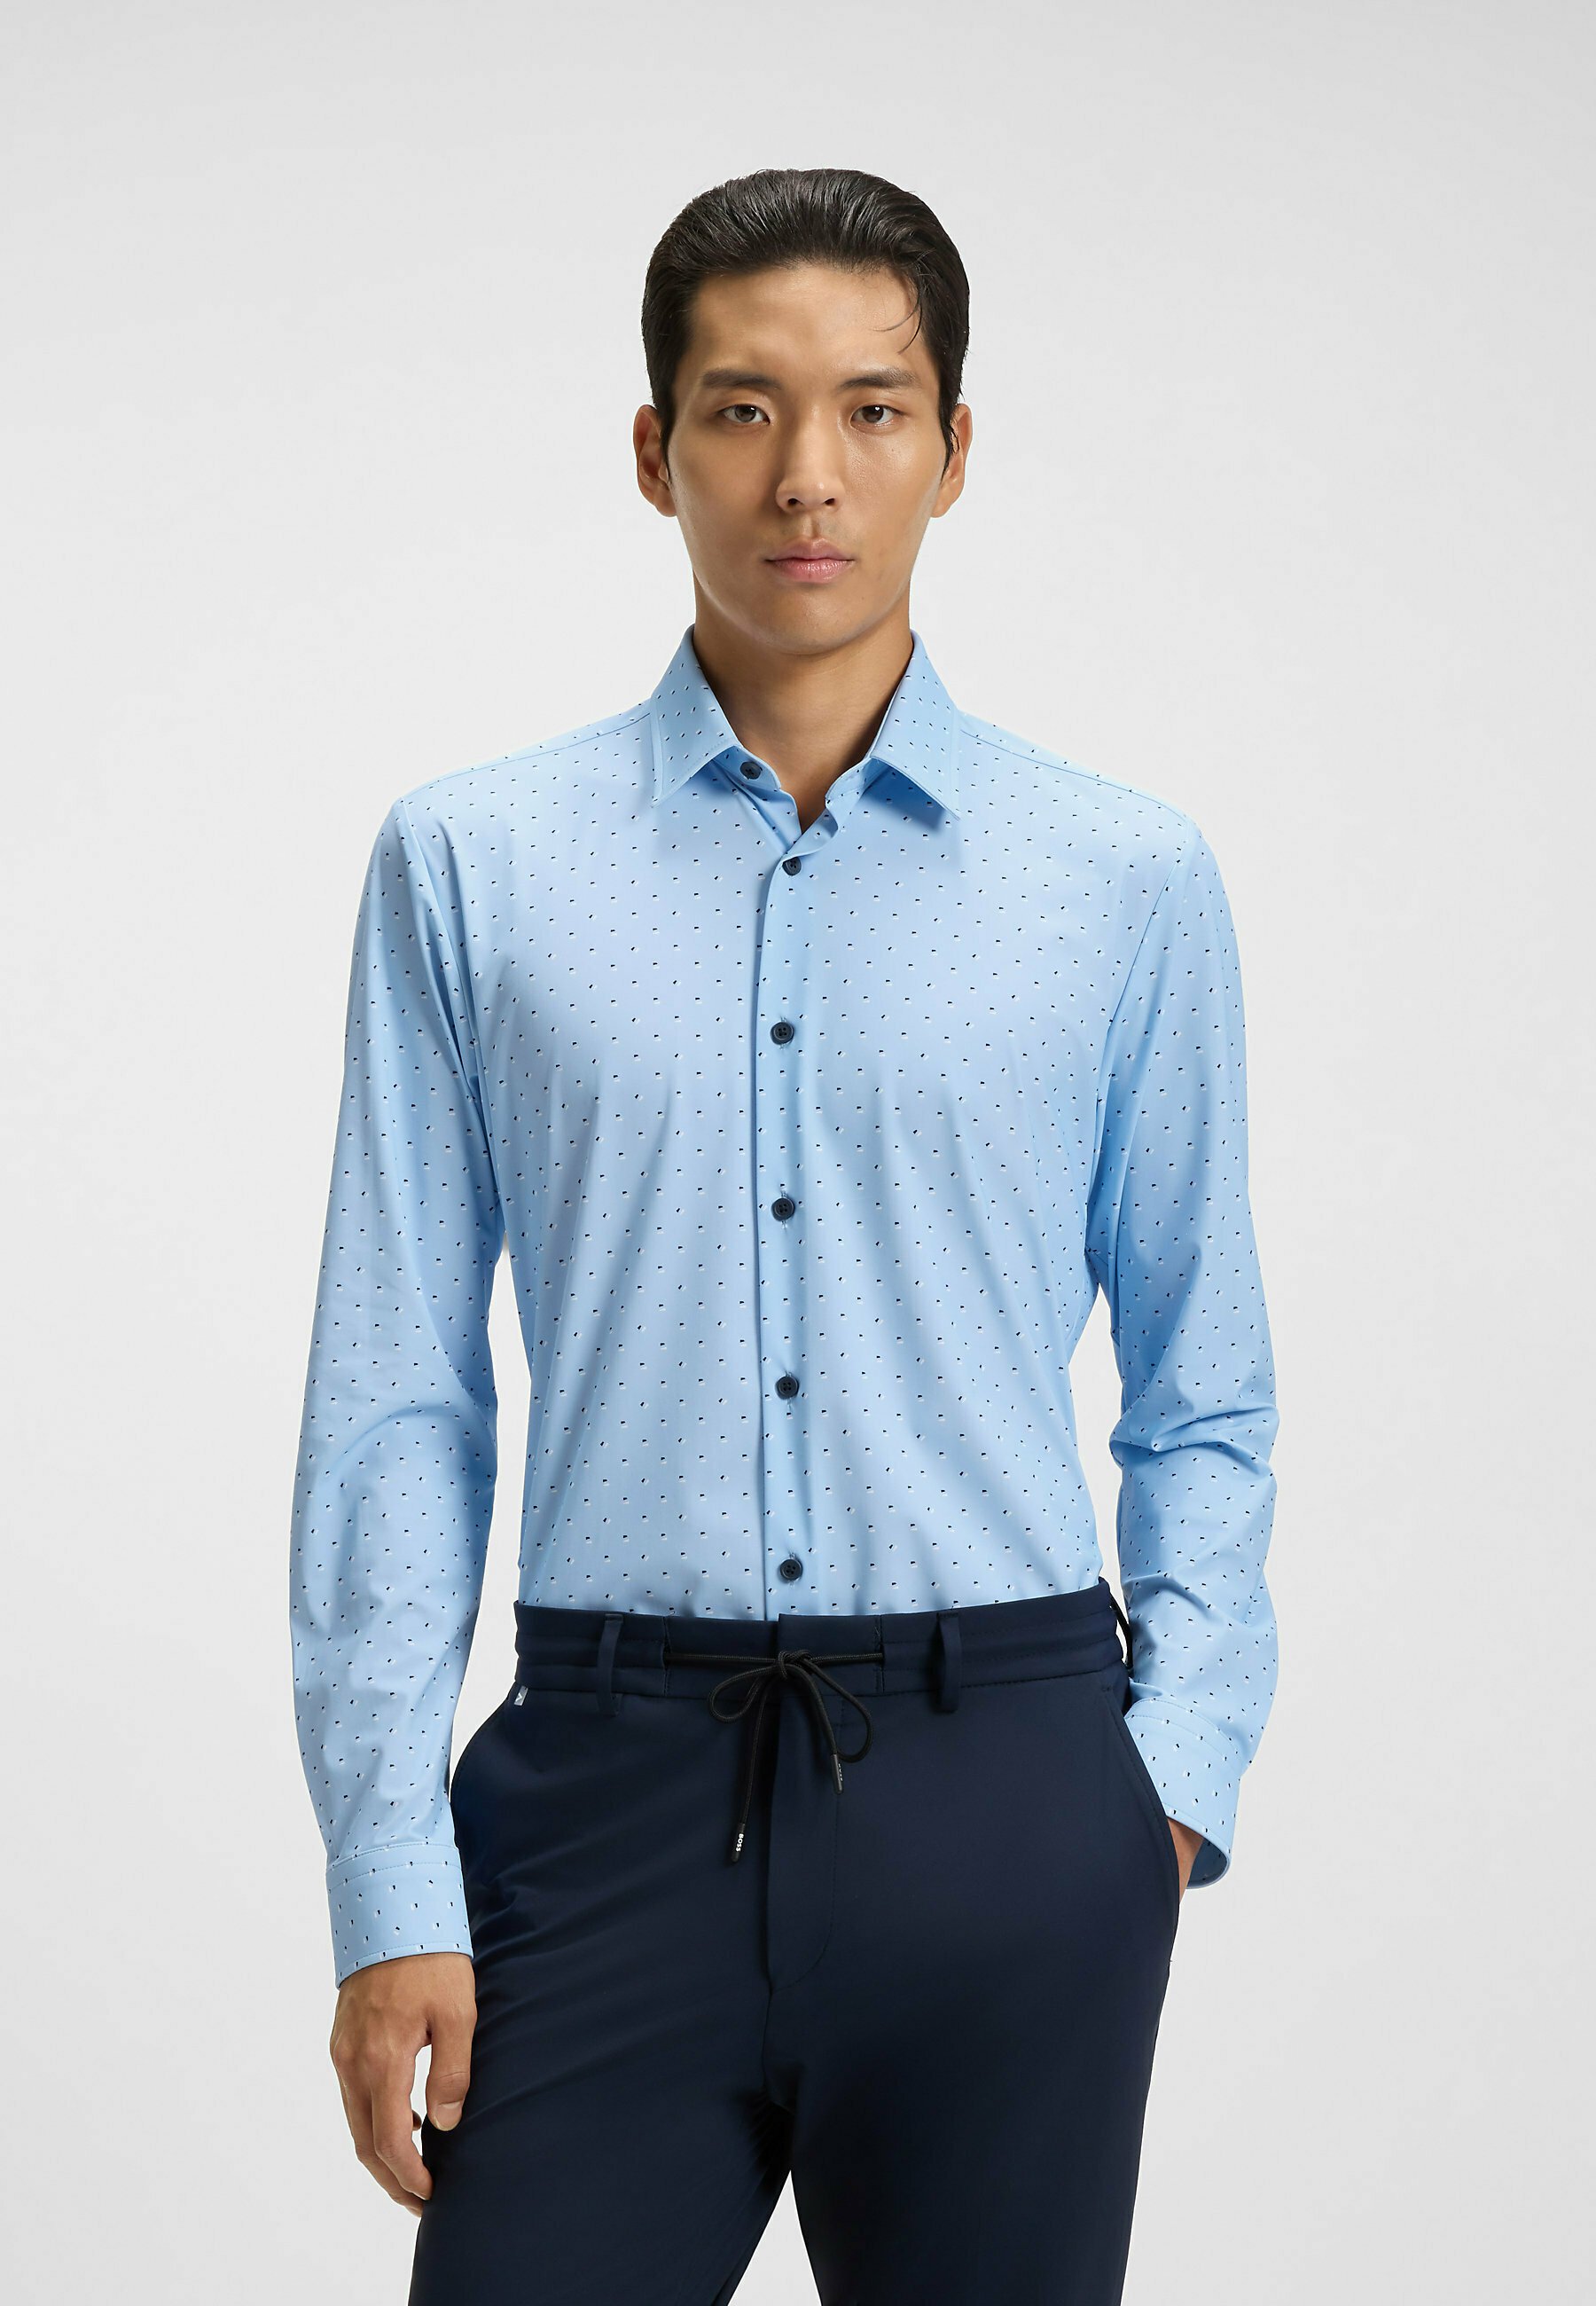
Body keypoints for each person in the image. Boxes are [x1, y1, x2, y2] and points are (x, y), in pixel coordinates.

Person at [289, 165, 1280, 2305]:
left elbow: (1205, 1377)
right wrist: (390, 1877)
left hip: (1012, 1790)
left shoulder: (1121, 879)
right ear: (656, 451)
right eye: (742, 410)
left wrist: (1164, 1780)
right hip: (599, 1799)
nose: (806, 475)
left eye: (871, 409)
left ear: (953, 448)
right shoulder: (472, 865)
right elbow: (395, 1400)